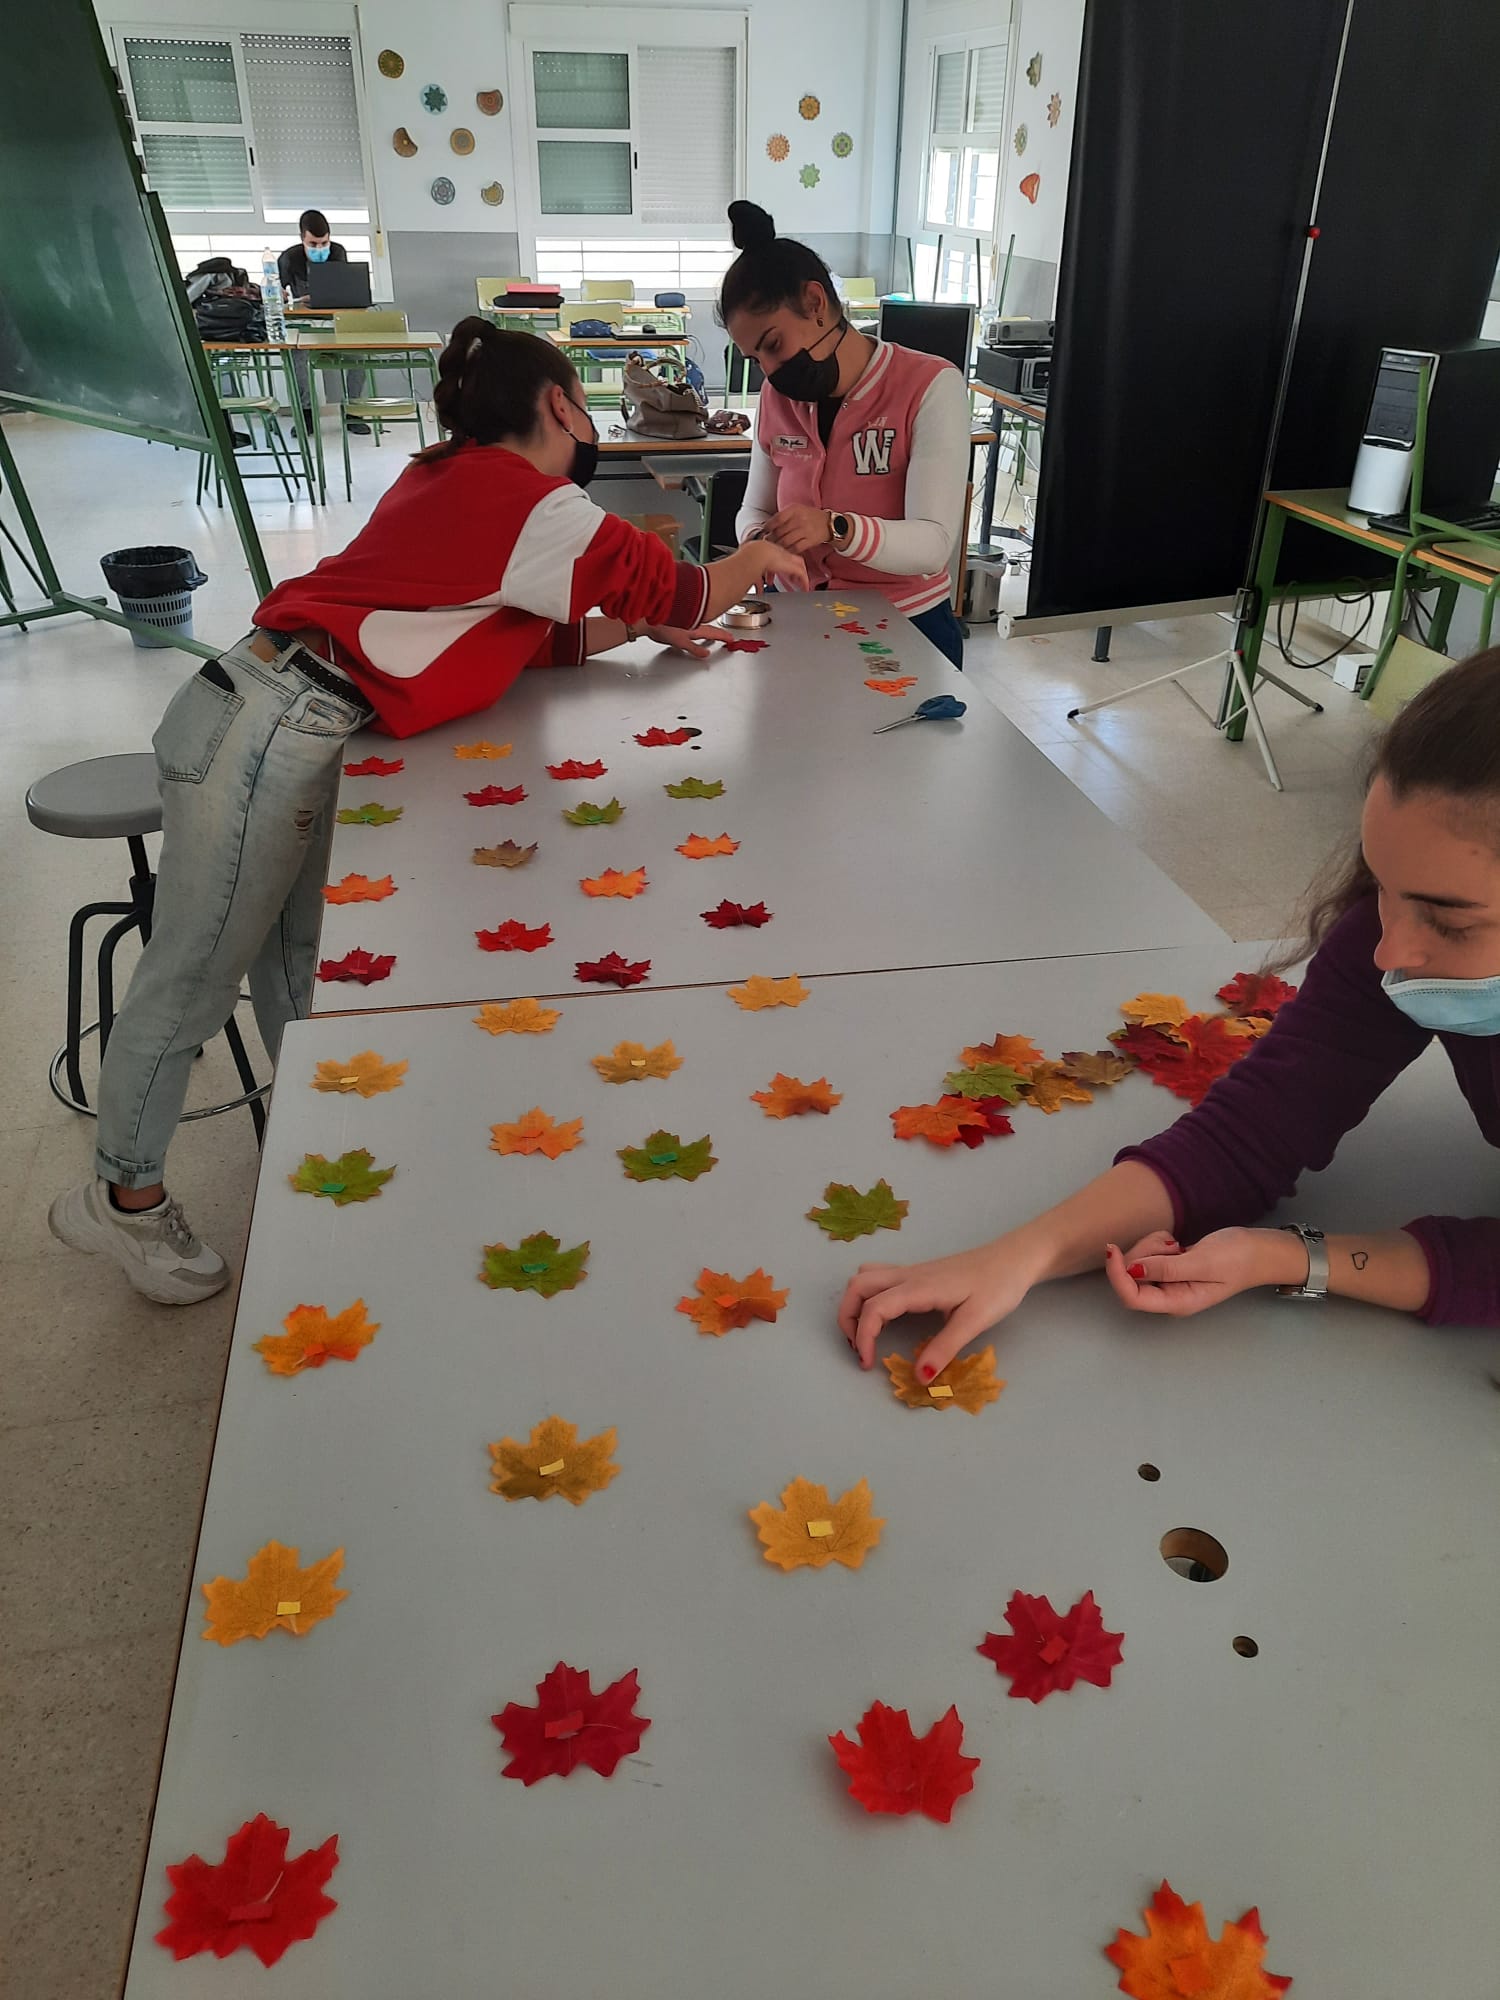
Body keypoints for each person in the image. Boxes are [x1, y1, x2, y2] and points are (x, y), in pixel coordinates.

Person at [50, 322, 806, 1303]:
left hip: (280, 709)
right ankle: (124, 1200)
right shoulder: (537, 502)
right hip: (270, 723)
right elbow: (693, 586)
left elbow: (507, 633)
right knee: (194, 976)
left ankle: (311, 1137)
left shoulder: (445, 476)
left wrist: (642, 625)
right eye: (585, 402)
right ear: (560, 405)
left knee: (297, 959)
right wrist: (763, 552)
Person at [841, 647, 1500, 1369]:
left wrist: (1292, 1257)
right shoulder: (1384, 940)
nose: (1388, 948)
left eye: (1451, 923)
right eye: (1380, 886)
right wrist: (1021, 1255)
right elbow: (1253, 1132)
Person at [719, 201, 970, 668]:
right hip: (798, 617)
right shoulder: (777, 397)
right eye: (756, 359)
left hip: (904, 626)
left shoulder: (930, 386)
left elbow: (933, 546)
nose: (770, 371)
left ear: (815, 303)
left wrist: (835, 527)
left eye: (773, 345)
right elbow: (755, 507)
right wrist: (758, 541)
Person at [278, 208, 370, 435]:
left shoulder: (337, 252)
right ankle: (307, 415)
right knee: (297, 357)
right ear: (302, 239)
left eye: (324, 243)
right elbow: (281, 296)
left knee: (358, 355)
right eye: (313, 244)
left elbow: (342, 289)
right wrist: (284, 296)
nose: (319, 248)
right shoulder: (288, 259)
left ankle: (353, 412)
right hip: (304, 325)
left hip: (335, 323)